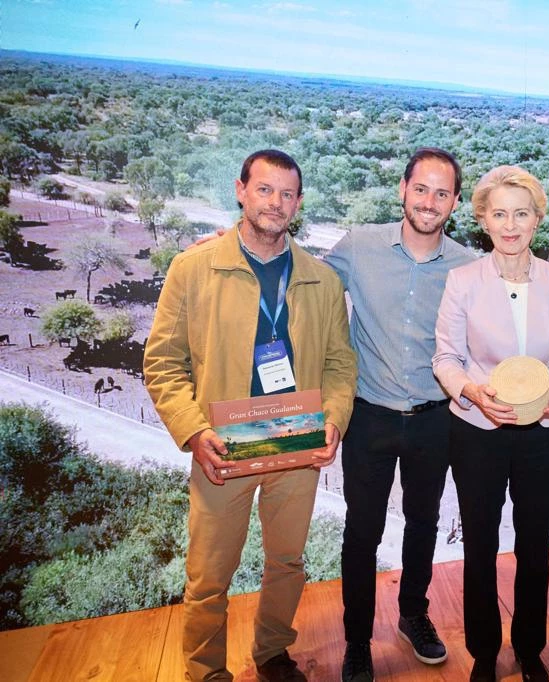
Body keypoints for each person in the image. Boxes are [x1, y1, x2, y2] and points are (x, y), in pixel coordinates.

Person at [144, 149, 358, 682]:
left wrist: (334, 419)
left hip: (295, 437)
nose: (276, 203)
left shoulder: (321, 279)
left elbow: (339, 364)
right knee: (209, 574)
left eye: (287, 194)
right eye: (264, 189)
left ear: (299, 203)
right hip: (222, 441)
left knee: (287, 562)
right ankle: (205, 670)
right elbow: (162, 363)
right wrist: (193, 431)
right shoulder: (194, 268)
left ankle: (271, 653)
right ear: (240, 191)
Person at [323, 148, 476, 682]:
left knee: (424, 523)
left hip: (436, 418)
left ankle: (413, 614)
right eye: (421, 189)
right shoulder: (358, 248)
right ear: (403, 190)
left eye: (442, 193)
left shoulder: (466, 266)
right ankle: (358, 641)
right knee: (361, 532)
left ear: (454, 202)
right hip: (369, 415)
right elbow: (301, 284)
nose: (429, 202)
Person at [432, 166, 549, 682]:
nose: (511, 224)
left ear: (537, 220)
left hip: (541, 435)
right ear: (483, 220)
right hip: (478, 431)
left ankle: (530, 649)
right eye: (499, 213)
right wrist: (472, 391)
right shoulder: (462, 281)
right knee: (479, 545)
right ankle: (483, 654)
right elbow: (446, 359)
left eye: (521, 213)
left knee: (535, 546)